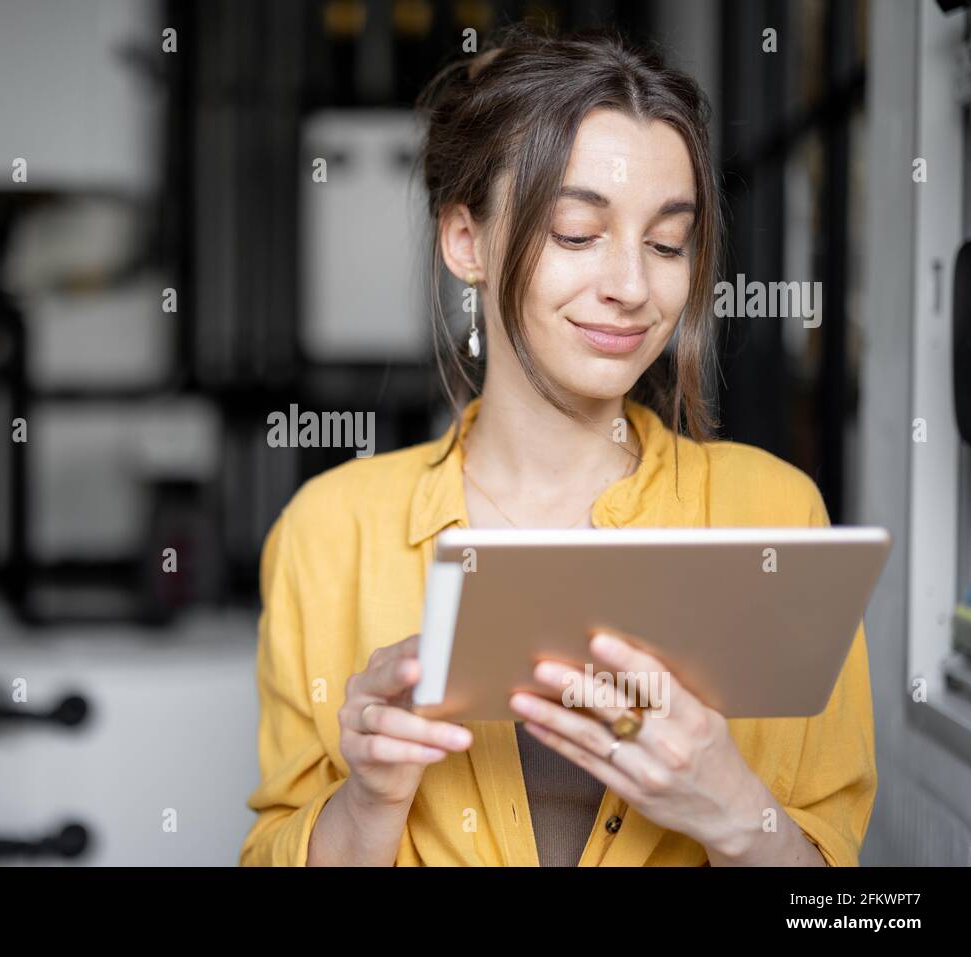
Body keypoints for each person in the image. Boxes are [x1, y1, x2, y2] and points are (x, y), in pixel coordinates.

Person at [239, 26, 876, 867]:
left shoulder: (775, 517)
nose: (632, 287)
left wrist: (733, 811)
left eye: (666, 243)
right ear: (465, 239)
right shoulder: (328, 535)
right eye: (577, 233)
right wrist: (368, 800)